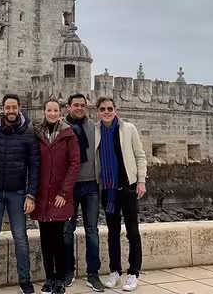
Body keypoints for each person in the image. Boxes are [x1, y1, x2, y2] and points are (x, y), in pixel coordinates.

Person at [0, 94, 40, 294]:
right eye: (8, 107)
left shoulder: (28, 133)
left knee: (20, 237)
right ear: (3, 109)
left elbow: (34, 166)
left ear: (19, 108)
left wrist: (31, 195)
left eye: (14, 107)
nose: (11, 111)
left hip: (18, 193)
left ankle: (25, 280)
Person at [95, 97, 146, 292]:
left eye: (110, 108)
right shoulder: (96, 131)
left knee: (133, 232)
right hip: (107, 189)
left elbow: (140, 155)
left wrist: (141, 180)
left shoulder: (128, 129)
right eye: (103, 109)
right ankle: (115, 271)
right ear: (98, 111)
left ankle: (133, 273)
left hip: (128, 187)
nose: (106, 112)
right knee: (113, 233)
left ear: (115, 110)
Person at [32, 99, 80, 294]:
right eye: (48, 110)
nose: (52, 113)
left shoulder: (69, 134)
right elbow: (33, 162)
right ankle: (49, 278)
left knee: (58, 238)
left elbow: (74, 164)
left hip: (60, 195)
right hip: (42, 195)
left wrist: (64, 192)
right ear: (44, 112)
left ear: (60, 112)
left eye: (55, 110)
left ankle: (60, 279)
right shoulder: (37, 133)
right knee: (45, 239)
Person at [63, 94, 103, 292]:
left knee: (92, 230)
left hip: (91, 186)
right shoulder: (61, 128)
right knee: (67, 232)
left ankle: (93, 274)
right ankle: (68, 272)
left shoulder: (94, 128)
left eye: (82, 105)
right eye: (75, 105)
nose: (79, 108)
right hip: (69, 187)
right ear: (68, 107)